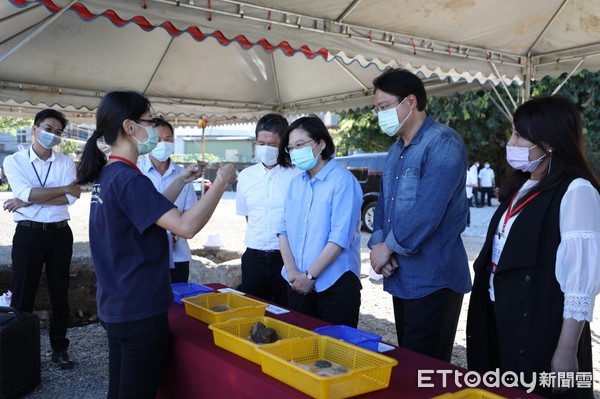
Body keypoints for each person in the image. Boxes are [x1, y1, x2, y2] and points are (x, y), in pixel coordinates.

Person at [75, 90, 236, 398]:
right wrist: (221, 183)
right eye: (148, 120)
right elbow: (185, 226)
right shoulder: (130, 179)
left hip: (117, 305)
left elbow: (150, 210)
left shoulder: (110, 174)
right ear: (130, 127)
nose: (152, 128)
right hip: (139, 310)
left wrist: (181, 180)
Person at [466, 95, 600, 398]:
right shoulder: (523, 184)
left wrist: (566, 349)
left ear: (549, 142)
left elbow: (582, 282)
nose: (510, 141)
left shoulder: (577, 191)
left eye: (518, 134)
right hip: (503, 315)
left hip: (543, 326)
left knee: (547, 392)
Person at [368, 68, 471, 362]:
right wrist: (379, 245)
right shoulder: (395, 151)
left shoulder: (443, 144)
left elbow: (428, 211)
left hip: (434, 279)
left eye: (384, 107)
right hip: (401, 275)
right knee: (409, 361)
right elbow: (384, 206)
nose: (380, 115)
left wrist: (387, 247)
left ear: (410, 102)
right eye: (377, 109)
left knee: (426, 368)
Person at [2, 109, 81, 369]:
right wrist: (34, 195)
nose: (52, 135)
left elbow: (72, 197)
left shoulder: (66, 162)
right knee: (23, 294)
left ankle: (60, 349)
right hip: (29, 233)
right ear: (34, 129)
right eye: (48, 129)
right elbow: (29, 192)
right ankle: (19, 353)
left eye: (58, 132)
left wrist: (29, 199)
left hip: (60, 233)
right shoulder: (14, 161)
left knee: (61, 293)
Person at [277, 116, 362, 327]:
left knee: (335, 354)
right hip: (296, 283)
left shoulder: (343, 181)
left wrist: (309, 276)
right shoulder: (296, 184)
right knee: (299, 351)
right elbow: (283, 231)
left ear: (321, 144)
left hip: (334, 285)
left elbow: (339, 238)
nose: (295, 151)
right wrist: (293, 273)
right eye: (291, 148)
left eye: (300, 145)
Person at [236, 114, 302, 306]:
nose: (266, 149)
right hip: (253, 257)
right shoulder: (247, 176)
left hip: (286, 259)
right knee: (251, 312)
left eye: (272, 144)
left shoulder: (298, 175)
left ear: (283, 144)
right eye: (261, 143)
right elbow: (248, 215)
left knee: (286, 314)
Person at [138, 117, 198, 283]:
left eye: (168, 139)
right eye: (157, 140)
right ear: (148, 141)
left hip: (178, 253)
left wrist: (175, 236)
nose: (163, 144)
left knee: (177, 301)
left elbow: (190, 212)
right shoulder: (137, 172)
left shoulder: (184, 174)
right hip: (145, 253)